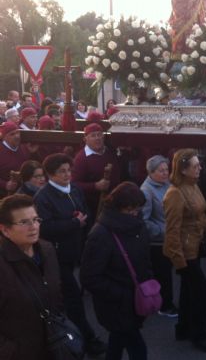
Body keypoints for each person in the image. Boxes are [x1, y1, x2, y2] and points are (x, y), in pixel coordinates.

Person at [35, 153, 107, 356]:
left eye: (69, 170)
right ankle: (87, 338)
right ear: (50, 174)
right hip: (57, 256)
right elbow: (45, 228)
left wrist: (82, 220)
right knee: (73, 298)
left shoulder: (74, 189)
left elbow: (84, 210)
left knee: (71, 297)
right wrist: (74, 223)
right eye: (62, 172)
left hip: (76, 249)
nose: (67, 175)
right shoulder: (43, 197)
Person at [80, 182, 152, 360]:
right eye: (131, 210)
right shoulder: (101, 234)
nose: (136, 213)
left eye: (138, 209)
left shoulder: (137, 225)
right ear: (118, 207)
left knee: (118, 340)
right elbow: (89, 277)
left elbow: (144, 257)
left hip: (134, 299)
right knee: (138, 349)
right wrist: (122, 295)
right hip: (116, 304)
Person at [163, 148, 206, 352]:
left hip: (195, 246)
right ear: (183, 170)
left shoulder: (193, 186)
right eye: (195, 166)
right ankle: (199, 334)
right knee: (201, 291)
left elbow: (200, 216)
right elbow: (172, 231)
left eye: (199, 165)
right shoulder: (175, 194)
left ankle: (184, 328)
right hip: (185, 252)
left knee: (189, 291)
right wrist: (179, 261)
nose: (200, 169)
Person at [0, 194, 64, 359]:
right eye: (24, 222)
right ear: (5, 230)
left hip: (54, 344)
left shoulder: (47, 250)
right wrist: (11, 352)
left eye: (36, 219)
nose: (33, 226)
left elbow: (56, 294)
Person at [139, 155, 177, 317]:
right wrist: (163, 230)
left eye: (166, 169)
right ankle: (165, 305)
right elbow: (143, 221)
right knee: (163, 275)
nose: (165, 173)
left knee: (168, 272)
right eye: (160, 171)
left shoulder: (167, 184)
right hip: (157, 242)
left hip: (170, 237)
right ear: (151, 172)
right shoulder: (146, 191)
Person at [71, 123, 121, 223]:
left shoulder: (110, 152)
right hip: (93, 207)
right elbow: (74, 184)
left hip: (113, 203)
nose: (97, 138)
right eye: (93, 135)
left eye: (99, 135)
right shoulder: (81, 159)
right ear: (85, 139)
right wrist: (95, 186)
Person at [0, 122, 39, 197]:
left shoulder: (24, 147)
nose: (17, 136)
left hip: (26, 190)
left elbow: (32, 166)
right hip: (5, 193)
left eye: (18, 132)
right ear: (4, 137)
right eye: (12, 134)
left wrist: (33, 153)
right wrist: (5, 184)